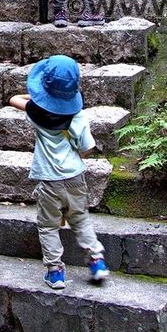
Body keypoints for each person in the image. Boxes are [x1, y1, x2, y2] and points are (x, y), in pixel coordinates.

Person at [9, 55, 110, 289]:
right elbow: (87, 148)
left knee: (48, 226)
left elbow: (14, 98)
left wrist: (38, 96)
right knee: (80, 218)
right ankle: (96, 261)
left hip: (49, 181)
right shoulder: (79, 116)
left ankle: (55, 272)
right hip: (75, 177)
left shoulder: (36, 113)